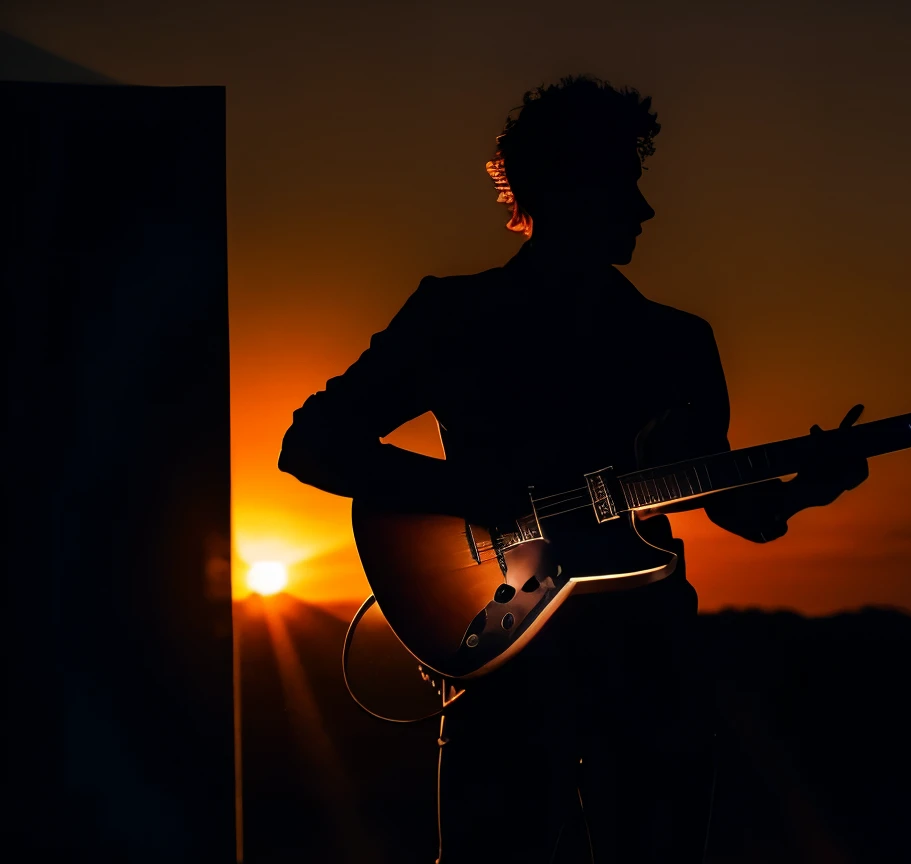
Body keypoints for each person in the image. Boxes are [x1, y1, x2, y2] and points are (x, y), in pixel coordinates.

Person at [277, 74, 868, 863]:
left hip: (649, 667)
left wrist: (802, 491)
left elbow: (736, 506)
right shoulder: (454, 315)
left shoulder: (677, 342)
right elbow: (313, 444)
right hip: (505, 657)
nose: (644, 210)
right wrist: (474, 497)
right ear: (561, 189)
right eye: (623, 184)